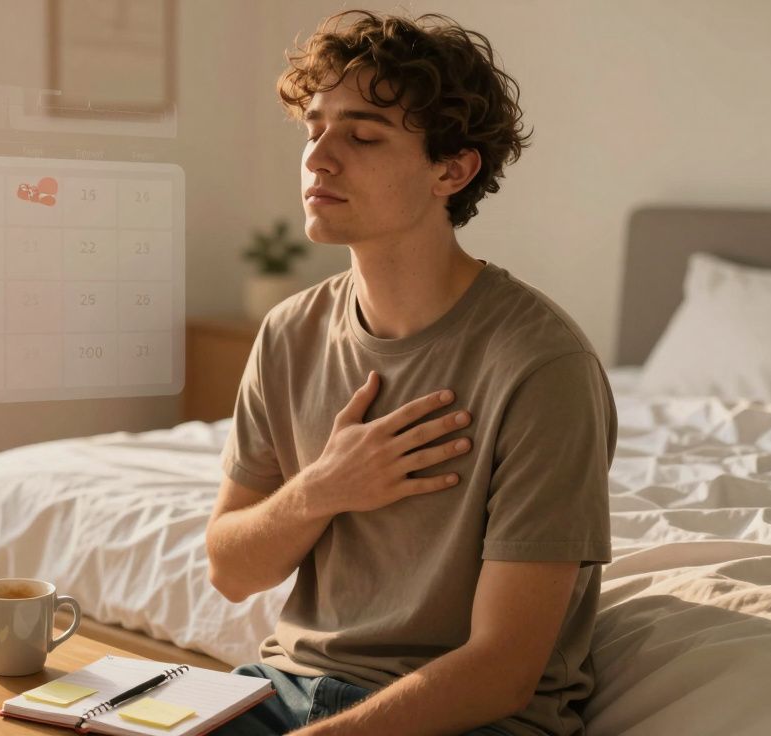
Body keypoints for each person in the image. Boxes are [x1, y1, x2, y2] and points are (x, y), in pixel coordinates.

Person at [206, 10, 616, 736]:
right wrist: (324, 489)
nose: (318, 158)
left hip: (460, 720)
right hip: (283, 691)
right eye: (313, 130)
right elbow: (230, 572)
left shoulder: (542, 366)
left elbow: (503, 671)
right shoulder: (288, 332)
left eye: (362, 136)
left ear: (451, 170)